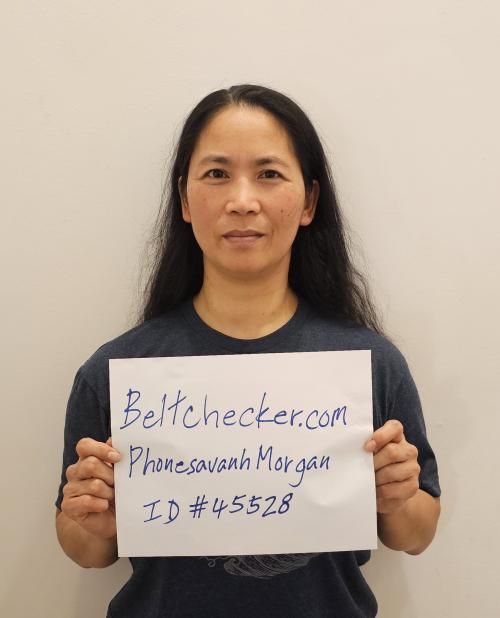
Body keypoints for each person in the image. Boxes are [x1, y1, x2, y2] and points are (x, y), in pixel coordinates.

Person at [55, 83, 441, 617]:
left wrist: (398, 496)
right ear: (184, 200)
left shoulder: (372, 364)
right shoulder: (116, 371)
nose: (242, 201)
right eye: (216, 174)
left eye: (269, 174)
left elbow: (416, 534)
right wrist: (92, 519)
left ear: (309, 202)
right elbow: (86, 550)